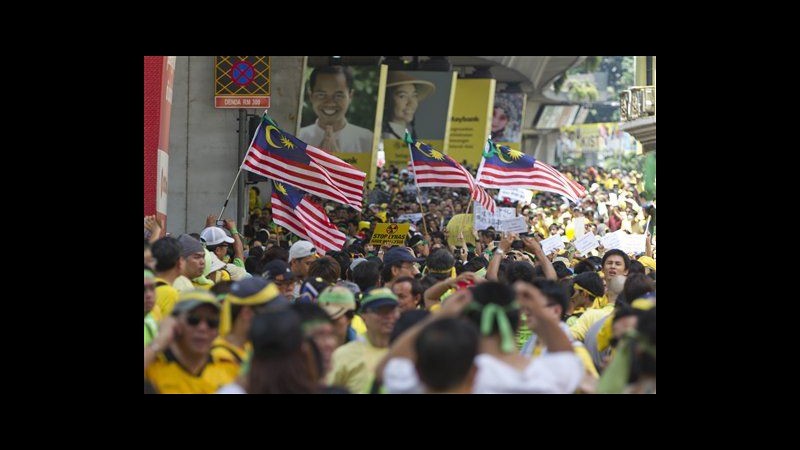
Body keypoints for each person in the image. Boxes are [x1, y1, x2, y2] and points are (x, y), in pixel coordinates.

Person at [298, 66, 373, 154]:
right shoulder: (297, 137)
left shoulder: (367, 139)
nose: (330, 103)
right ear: (311, 96)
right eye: (321, 95)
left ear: (350, 96)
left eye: (338, 95)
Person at [381, 71, 435, 141]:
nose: (411, 103)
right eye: (402, 96)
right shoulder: (385, 137)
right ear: (386, 100)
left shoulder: (405, 133)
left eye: (414, 95)